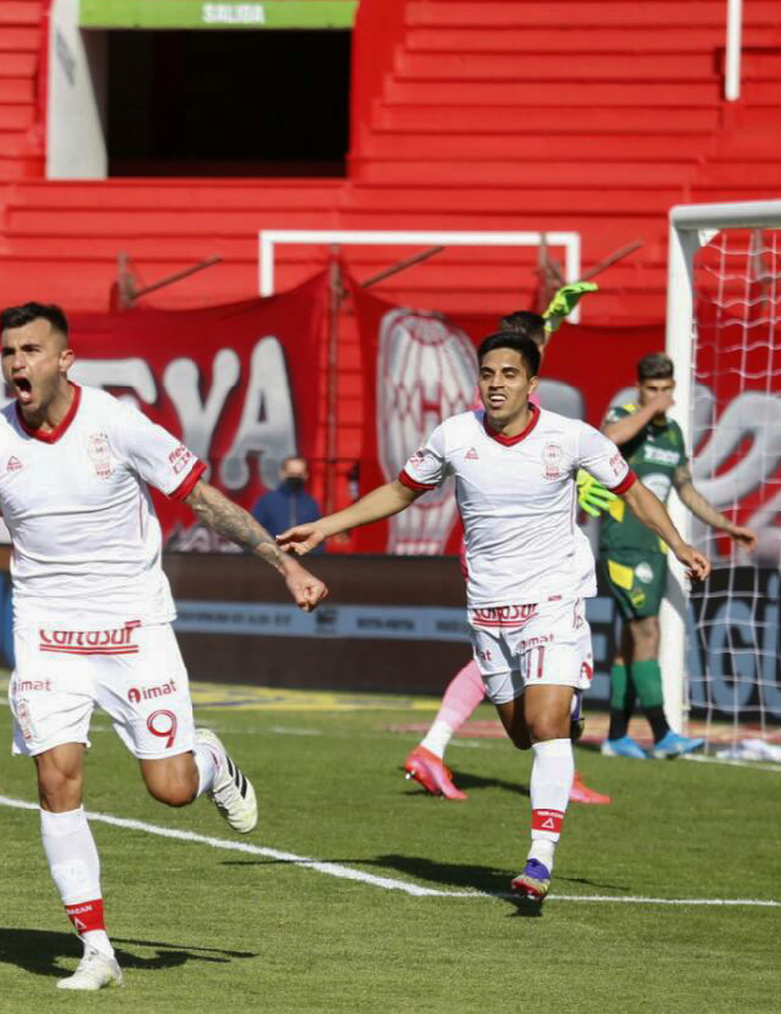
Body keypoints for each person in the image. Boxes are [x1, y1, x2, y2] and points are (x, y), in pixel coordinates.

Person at [0, 301, 328, 989]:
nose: (16, 364)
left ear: (65, 360)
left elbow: (202, 498)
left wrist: (285, 564)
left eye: (30, 350)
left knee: (170, 788)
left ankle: (209, 759)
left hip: (132, 628)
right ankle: (96, 948)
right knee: (56, 776)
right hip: (47, 634)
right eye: (8, 352)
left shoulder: (116, 423)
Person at [280, 331, 709, 902]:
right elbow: (400, 492)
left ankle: (539, 860)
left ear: (532, 384)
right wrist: (328, 526)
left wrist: (678, 545)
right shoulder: (455, 437)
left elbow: (633, 492)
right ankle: (566, 705)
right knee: (521, 733)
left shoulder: (571, 437)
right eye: (488, 374)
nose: (496, 384)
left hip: (555, 597)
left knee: (548, 724)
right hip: (489, 606)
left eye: (509, 374)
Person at [403, 305, 613, 806]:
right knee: (516, 648)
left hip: (500, 555)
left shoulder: (537, 411)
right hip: (506, 560)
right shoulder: (487, 411)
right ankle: (448, 747)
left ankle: (445, 748)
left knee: (521, 662)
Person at [598, 352, 757, 758]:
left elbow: (685, 490)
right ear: (639, 389)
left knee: (632, 641)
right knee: (648, 632)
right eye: (652, 389)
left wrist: (725, 525)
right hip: (623, 542)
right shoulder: (623, 416)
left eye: (666, 389)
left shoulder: (672, 434)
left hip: (653, 545)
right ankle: (663, 733)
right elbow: (608, 439)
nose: (661, 396)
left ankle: (616, 737)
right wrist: (649, 407)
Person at [251, 456, 323, 547]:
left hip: (305, 557)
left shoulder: (311, 504)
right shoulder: (266, 501)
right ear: (282, 473)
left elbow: (318, 535)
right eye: (291, 473)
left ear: (306, 475)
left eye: (299, 475)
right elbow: (254, 532)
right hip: (274, 556)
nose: (295, 478)